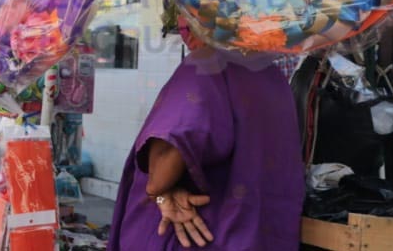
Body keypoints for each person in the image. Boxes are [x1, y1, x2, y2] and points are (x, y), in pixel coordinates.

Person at [108, 24, 305, 250]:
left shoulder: (206, 64)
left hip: (196, 236)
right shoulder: (273, 76)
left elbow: (161, 175)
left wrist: (162, 193)